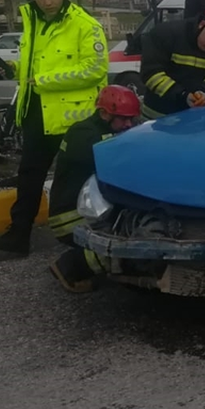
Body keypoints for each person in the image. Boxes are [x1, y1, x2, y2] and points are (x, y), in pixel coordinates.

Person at [0, 0, 109, 256]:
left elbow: (95, 70)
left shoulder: (84, 25)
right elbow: (34, 67)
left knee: (74, 180)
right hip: (37, 112)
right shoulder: (34, 22)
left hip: (73, 119)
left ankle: (90, 241)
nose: (47, 1)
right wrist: (13, 69)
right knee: (29, 174)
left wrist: (45, 81)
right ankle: (18, 234)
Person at [47, 85, 142, 293]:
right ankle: (70, 268)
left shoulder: (106, 130)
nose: (128, 125)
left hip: (93, 206)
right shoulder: (82, 133)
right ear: (104, 113)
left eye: (131, 120)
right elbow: (109, 148)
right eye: (123, 119)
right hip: (70, 216)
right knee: (123, 239)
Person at [140, 4, 205, 119]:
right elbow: (151, 74)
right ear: (202, 24)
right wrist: (182, 95)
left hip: (191, 119)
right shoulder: (165, 35)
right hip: (157, 117)